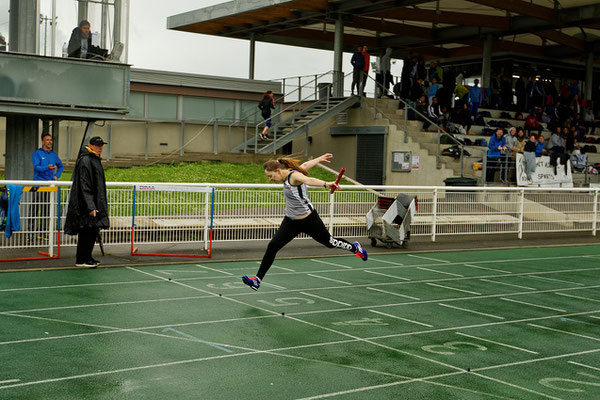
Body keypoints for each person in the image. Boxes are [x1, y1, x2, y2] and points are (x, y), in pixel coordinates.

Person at [241, 153, 368, 291]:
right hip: (290, 221)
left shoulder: (294, 176)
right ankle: (257, 280)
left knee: (331, 243)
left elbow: (309, 180)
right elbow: (305, 166)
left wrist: (327, 184)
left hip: (309, 220)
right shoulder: (288, 174)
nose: (270, 179)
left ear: (278, 171)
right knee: (273, 246)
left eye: (271, 176)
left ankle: (355, 248)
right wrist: (319, 160)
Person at [64, 136, 109, 268]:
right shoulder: (86, 160)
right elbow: (85, 185)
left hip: (92, 202)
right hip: (86, 204)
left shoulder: (93, 159)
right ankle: (82, 258)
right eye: (98, 145)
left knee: (91, 230)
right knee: (86, 231)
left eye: (101, 145)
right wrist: (91, 206)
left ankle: (86, 257)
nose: (100, 147)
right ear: (91, 145)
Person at [30, 132, 64, 237]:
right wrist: (47, 168)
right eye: (47, 140)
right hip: (38, 185)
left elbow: (61, 166)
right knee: (35, 208)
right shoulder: (37, 153)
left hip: (49, 186)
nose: (50, 142)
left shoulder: (54, 155)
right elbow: (36, 167)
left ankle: (43, 232)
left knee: (46, 209)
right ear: (42, 142)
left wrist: (56, 176)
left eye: (51, 140)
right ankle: (30, 232)